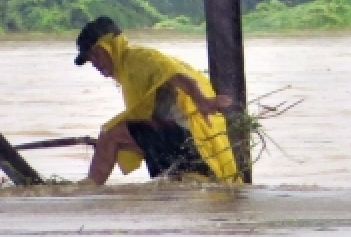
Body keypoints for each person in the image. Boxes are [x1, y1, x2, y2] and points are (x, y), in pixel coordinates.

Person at [73, 17, 239, 185]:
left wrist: (202, 101)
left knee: (110, 135)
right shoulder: (127, 72)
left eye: (96, 54)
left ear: (112, 47)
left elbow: (181, 77)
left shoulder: (138, 58)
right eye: (90, 59)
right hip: (183, 146)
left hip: (185, 140)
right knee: (175, 186)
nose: (95, 63)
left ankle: (88, 189)